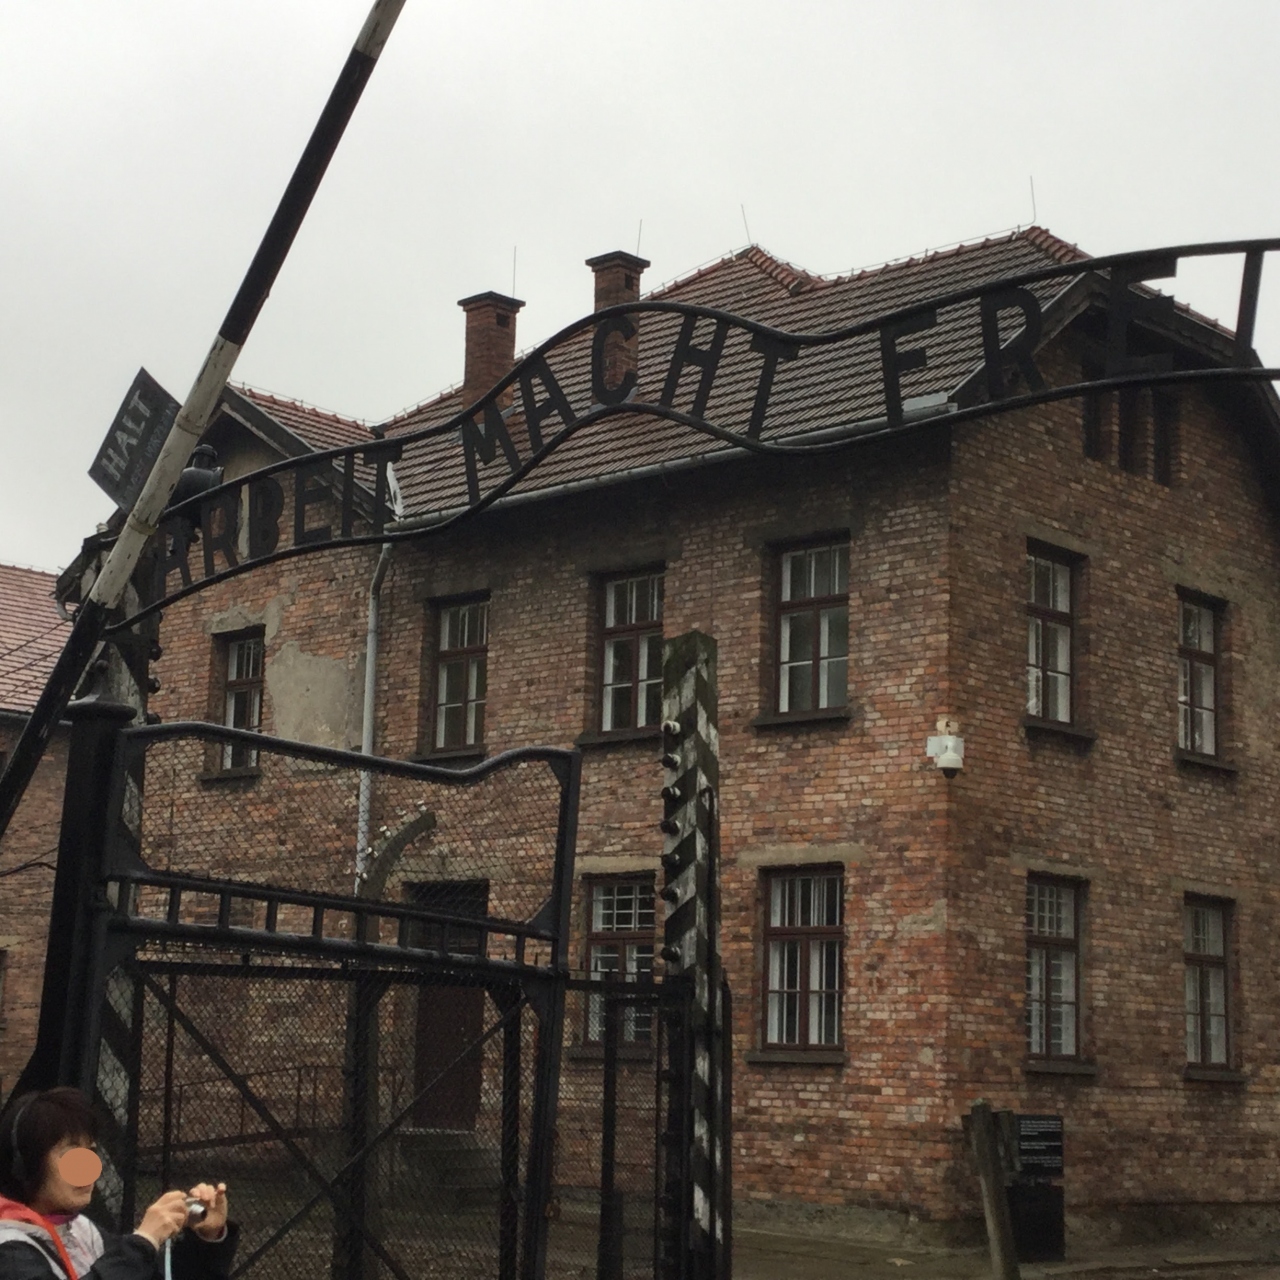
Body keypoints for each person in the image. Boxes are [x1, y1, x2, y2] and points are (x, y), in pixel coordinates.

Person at [0, 1088, 237, 1280]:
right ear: (26, 1165)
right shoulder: (8, 1250)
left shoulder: (83, 1232)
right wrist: (143, 1242)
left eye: (91, 1153)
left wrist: (207, 1241)